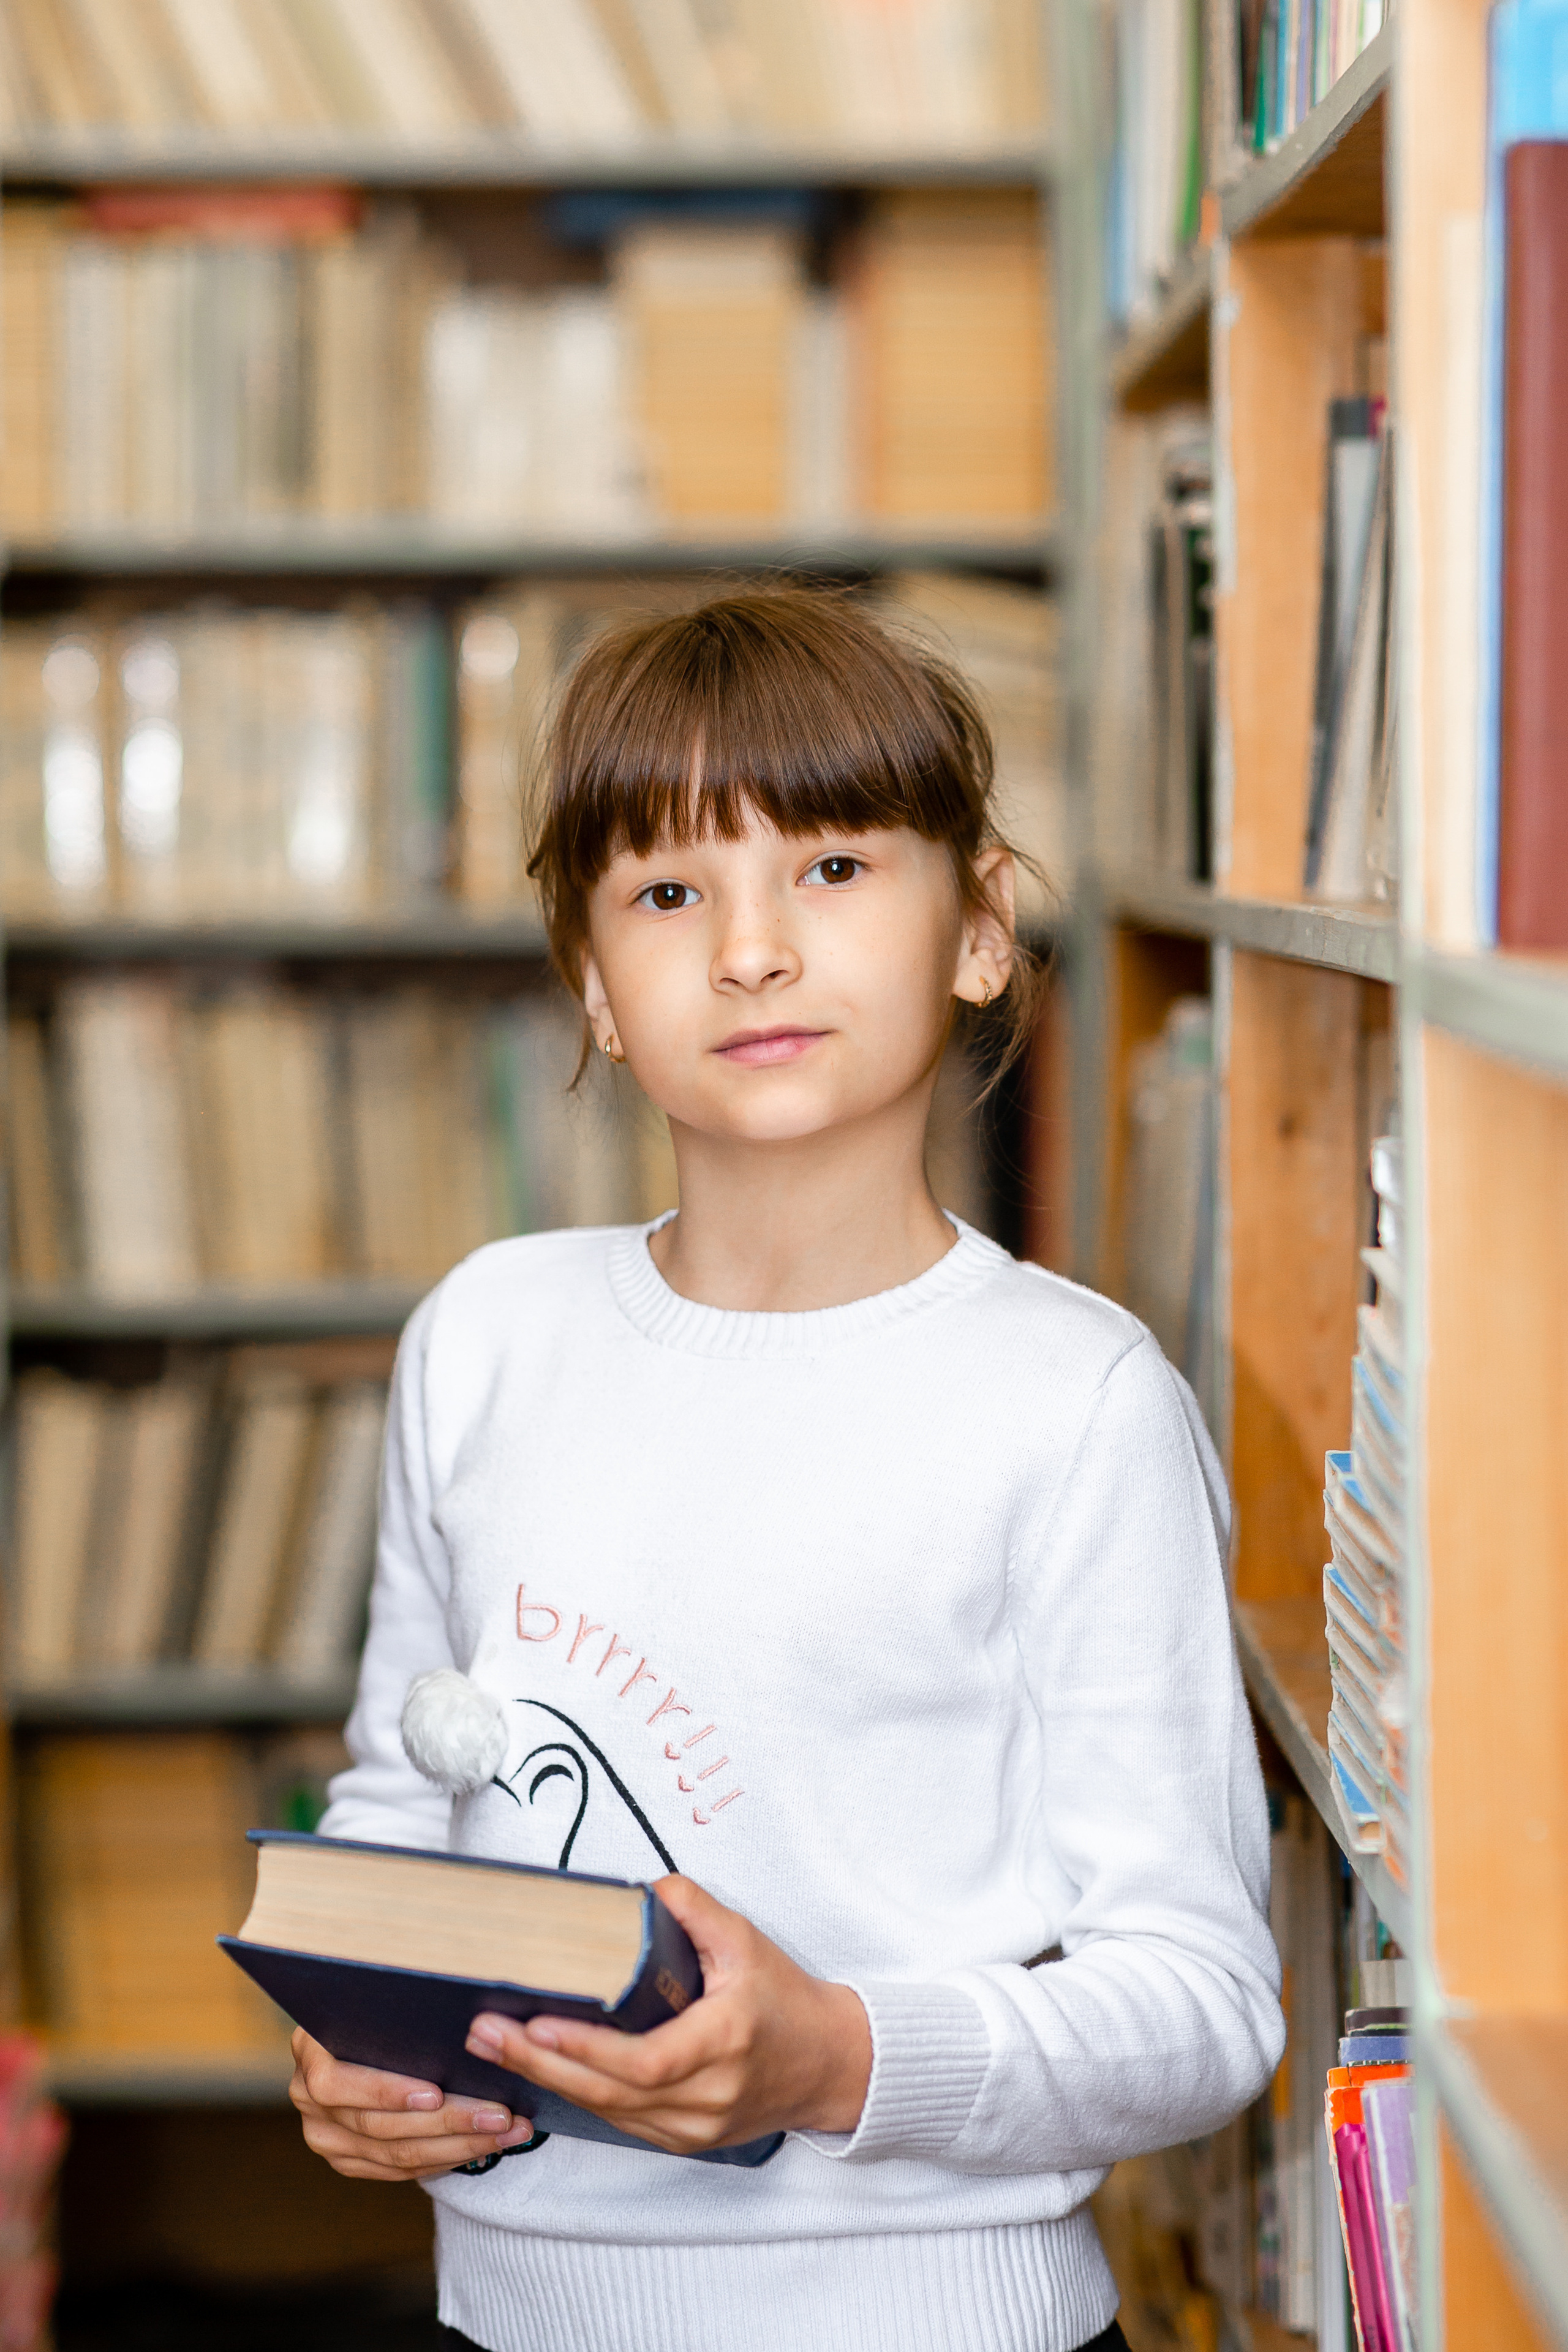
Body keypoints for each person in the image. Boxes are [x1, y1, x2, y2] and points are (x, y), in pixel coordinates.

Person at [290, 587, 1284, 2352]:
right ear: (595, 987)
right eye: (669, 893)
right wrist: (356, 2039)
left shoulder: (1075, 1404)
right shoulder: (488, 1337)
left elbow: (1201, 2005)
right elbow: (403, 1793)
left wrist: (836, 2054)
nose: (750, 950)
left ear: (980, 932)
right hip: (503, 2315)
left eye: (832, 868)